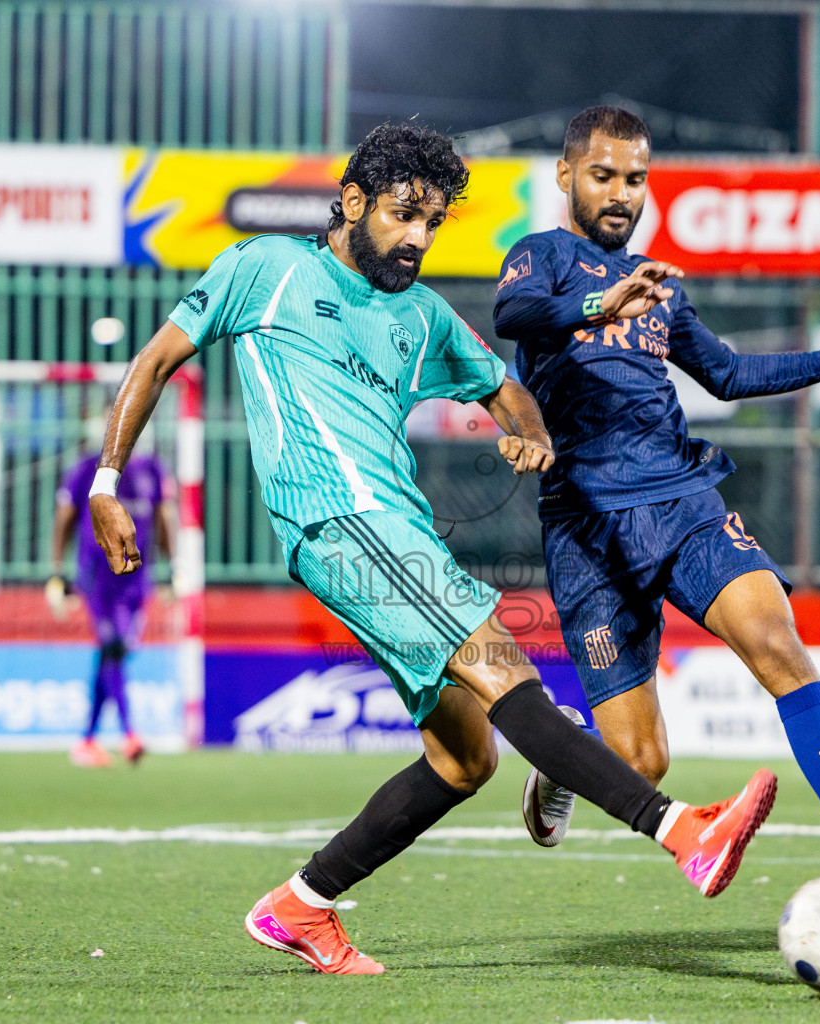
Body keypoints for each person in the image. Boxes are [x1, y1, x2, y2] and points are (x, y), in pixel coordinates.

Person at [86, 123, 778, 975]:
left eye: (433, 223)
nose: (417, 237)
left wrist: (528, 434)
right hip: (336, 522)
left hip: (399, 530)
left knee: (465, 756)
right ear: (351, 203)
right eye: (402, 215)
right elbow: (156, 362)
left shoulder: (422, 316)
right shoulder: (265, 269)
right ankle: (682, 830)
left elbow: (508, 387)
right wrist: (106, 485)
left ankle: (301, 905)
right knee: (505, 671)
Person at [492, 105, 820, 914]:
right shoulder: (542, 256)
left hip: (682, 501)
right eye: (604, 175)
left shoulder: (661, 286)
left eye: (635, 179)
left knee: (777, 642)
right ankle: (563, 762)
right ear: (566, 177)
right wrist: (600, 306)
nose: (622, 193)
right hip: (588, 529)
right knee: (641, 762)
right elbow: (513, 318)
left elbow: (728, 374)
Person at [49, 444, 177, 768]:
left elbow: (163, 516)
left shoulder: (152, 469)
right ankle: (129, 734)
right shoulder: (88, 467)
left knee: (113, 655)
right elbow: (65, 516)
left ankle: (87, 740)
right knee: (113, 647)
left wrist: (173, 568)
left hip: (136, 582)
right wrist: (57, 573)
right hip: (98, 580)